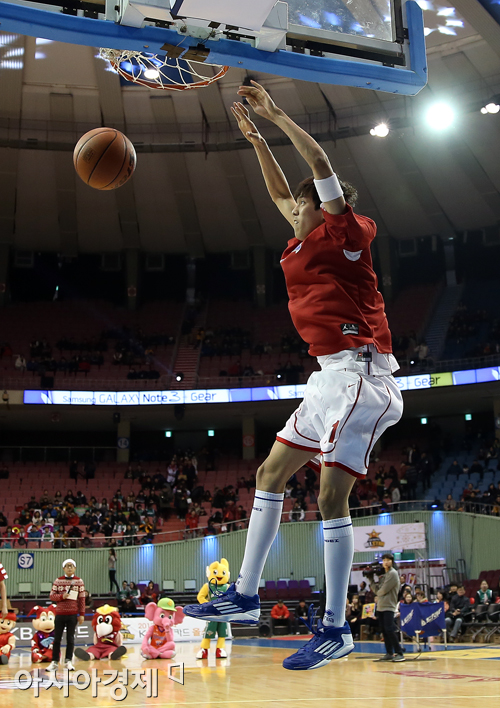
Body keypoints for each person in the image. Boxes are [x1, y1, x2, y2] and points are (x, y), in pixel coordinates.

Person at [183, 80, 403, 672]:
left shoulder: (348, 233)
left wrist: (276, 115)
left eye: (301, 205)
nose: (290, 210)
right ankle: (245, 593)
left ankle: (336, 629)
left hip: (363, 377)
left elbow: (319, 164)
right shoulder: (302, 239)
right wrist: (254, 140)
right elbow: (281, 188)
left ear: (321, 206)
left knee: (331, 495)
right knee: (270, 472)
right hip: (327, 380)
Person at [47, 559, 85, 671]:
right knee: (57, 638)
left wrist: (82, 614)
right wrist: (61, 597)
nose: (69, 568)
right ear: (63, 568)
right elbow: (52, 596)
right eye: (67, 566)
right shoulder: (58, 581)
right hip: (60, 614)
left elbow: (82, 599)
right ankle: (54, 661)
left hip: (72, 614)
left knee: (70, 638)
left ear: (75, 568)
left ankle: (68, 661)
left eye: (72, 566)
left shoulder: (79, 581)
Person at [369, 553, 405, 662]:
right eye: (384, 560)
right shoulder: (384, 575)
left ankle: (399, 652)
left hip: (389, 606)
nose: (386, 562)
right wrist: (371, 579)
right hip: (381, 606)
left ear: (392, 561)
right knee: (384, 630)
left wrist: (378, 592)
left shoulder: (393, 574)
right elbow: (376, 590)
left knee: (390, 629)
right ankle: (389, 653)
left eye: (388, 560)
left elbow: (382, 591)